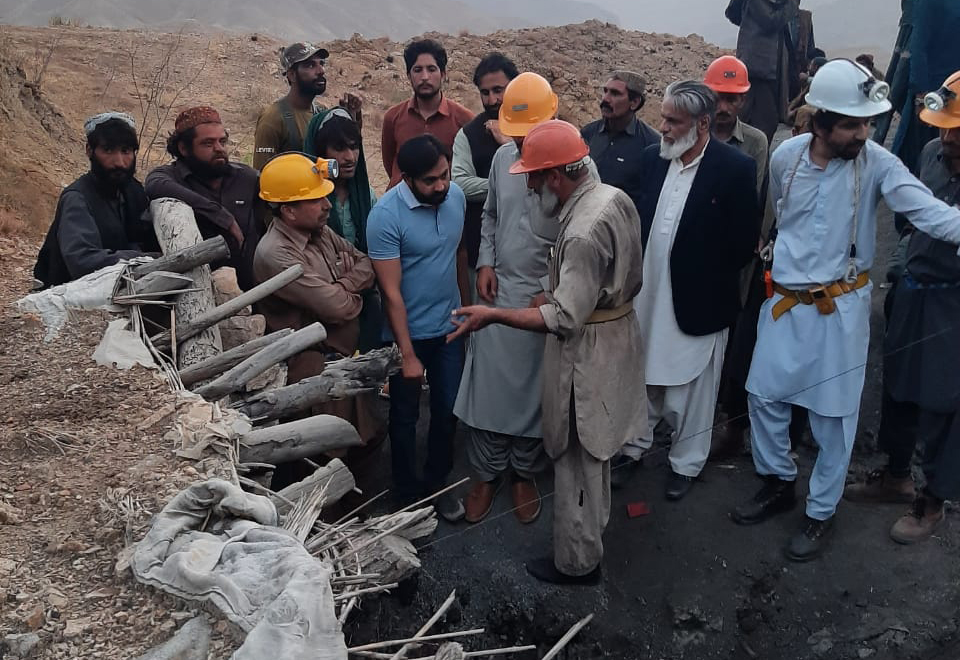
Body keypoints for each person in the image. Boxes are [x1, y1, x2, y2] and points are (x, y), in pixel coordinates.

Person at [731, 59, 960, 562]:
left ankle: (820, 512)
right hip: (785, 304)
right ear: (820, 123)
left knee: (833, 418)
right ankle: (778, 482)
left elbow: (930, 214)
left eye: (868, 123)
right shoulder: (786, 156)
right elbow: (781, 219)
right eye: (853, 125)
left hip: (840, 309)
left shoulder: (878, 164)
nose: (864, 134)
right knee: (763, 397)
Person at [448, 120, 646, 585]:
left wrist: (493, 315)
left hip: (587, 349)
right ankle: (587, 540)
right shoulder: (612, 198)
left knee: (578, 457)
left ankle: (576, 565)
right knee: (594, 456)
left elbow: (563, 317)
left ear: (555, 176)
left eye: (535, 179)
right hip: (614, 337)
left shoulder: (580, 232)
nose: (530, 189)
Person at [611, 81, 759, 498]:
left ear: (703, 124)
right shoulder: (653, 159)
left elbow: (742, 244)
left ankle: (686, 464)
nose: (663, 128)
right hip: (647, 293)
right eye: (663, 119)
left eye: (673, 122)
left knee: (693, 388)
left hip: (699, 300)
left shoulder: (735, 169)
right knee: (639, 374)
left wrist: (702, 274)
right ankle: (633, 447)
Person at [844, 71, 960, 545]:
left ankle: (934, 498)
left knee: (945, 400)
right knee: (899, 385)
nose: (947, 139)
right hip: (912, 290)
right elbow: (910, 219)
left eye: (957, 130)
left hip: (953, 302)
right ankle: (896, 475)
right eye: (944, 128)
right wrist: (897, 269)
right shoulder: (931, 153)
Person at [454, 71, 559, 526]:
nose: (519, 143)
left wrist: (551, 290)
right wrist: (485, 263)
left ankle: (523, 474)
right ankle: (485, 474)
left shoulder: (576, 165)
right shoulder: (501, 159)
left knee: (534, 393)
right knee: (489, 390)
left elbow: (578, 238)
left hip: (543, 300)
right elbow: (492, 215)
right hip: (499, 289)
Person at [253, 153, 379, 488]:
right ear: (288, 210)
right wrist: (352, 291)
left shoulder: (319, 232)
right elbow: (337, 308)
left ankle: (353, 506)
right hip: (312, 370)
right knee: (326, 459)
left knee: (364, 443)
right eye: (315, 199)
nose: (326, 205)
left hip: (340, 361)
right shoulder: (277, 254)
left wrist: (341, 287)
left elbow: (366, 263)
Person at [366, 135, 467, 520]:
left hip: (450, 328)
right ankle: (406, 493)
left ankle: (439, 483)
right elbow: (390, 292)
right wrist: (407, 354)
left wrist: (466, 310)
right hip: (406, 334)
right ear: (407, 179)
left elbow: (458, 253)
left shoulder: (455, 197)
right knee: (405, 415)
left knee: (447, 409)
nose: (441, 186)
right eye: (430, 181)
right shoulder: (385, 217)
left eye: (445, 175)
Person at [145, 106, 265, 290]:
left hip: (251, 291)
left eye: (222, 141)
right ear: (184, 148)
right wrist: (221, 217)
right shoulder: (170, 178)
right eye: (208, 144)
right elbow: (155, 184)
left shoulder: (246, 177)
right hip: (196, 291)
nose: (219, 149)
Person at [34, 112, 158, 289]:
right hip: (72, 293)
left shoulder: (134, 191)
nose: (119, 162)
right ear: (89, 151)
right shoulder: (77, 198)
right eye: (108, 150)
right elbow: (83, 261)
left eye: (126, 151)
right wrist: (150, 258)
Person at [303, 107, 382, 352]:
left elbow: (376, 254)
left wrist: (356, 271)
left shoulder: (366, 196)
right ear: (320, 152)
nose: (349, 157)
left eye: (354, 147)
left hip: (364, 294)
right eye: (339, 148)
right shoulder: (304, 201)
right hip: (318, 305)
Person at [452, 53, 519, 299]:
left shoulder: (536, 127)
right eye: (485, 92)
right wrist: (504, 186)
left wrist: (509, 145)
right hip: (481, 255)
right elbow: (460, 183)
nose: (492, 100)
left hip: (529, 257)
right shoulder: (468, 134)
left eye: (499, 90)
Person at [380, 39, 473, 189]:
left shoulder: (464, 119)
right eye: (417, 70)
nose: (424, 77)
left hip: (443, 197)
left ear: (443, 74)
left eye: (431, 69)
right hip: (401, 199)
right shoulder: (393, 117)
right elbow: (390, 164)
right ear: (409, 76)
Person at [253, 42, 362, 171]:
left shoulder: (320, 114)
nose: (321, 71)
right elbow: (261, 175)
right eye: (310, 65)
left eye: (321, 64)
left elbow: (343, 159)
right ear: (292, 75)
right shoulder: (272, 119)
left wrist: (351, 118)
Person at [580, 71, 660, 212]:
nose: (606, 98)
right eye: (605, 91)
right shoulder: (588, 133)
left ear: (634, 103)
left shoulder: (651, 144)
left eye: (615, 93)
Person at [725, 0, 800, 142]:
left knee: (759, 119)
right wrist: (792, 4)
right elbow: (770, 21)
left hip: (765, 66)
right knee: (765, 121)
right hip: (758, 67)